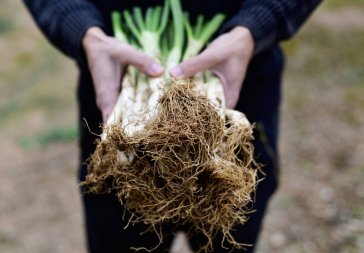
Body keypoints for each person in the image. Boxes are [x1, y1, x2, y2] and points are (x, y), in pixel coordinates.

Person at [23, 1, 321, 252]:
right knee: (117, 223)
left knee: (234, 222)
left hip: (243, 87)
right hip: (115, 100)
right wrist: (82, 31)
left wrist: (256, 26)